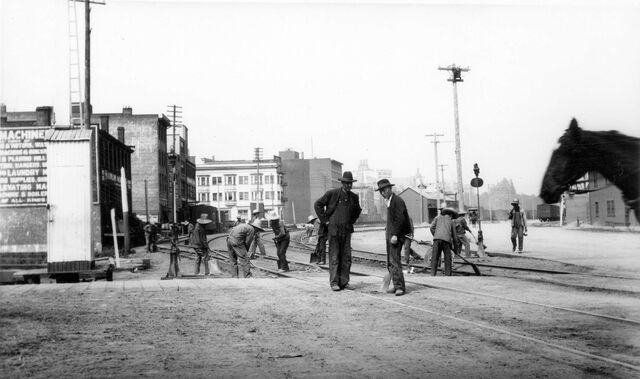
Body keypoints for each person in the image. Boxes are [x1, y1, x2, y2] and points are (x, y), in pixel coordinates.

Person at [314, 171, 362, 291]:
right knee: (334, 256)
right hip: (334, 231)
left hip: (346, 231)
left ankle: (344, 282)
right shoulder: (332, 194)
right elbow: (318, 204)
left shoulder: (354, 197)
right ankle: (334, 282)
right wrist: (325, 221)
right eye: (346, 183)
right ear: (342, 183)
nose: (348, 186)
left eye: (350, 183)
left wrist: (351, 221)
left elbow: (357, 211)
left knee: (346, 257)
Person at [377, 179, 410, 296]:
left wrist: (395, 234)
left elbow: (400, 219)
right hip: (390, 235)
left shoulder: (397, 201)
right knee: (390, 262)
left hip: (395, 236)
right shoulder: (390, 201)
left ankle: (400, 287)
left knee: (394, 261)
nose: (382, 193)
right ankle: (396, 286)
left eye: (384, 190)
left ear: (390, 189)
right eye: (381, 191)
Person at [429, 206, 459, 276]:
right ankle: (448, 274)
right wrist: (456, 249)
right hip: (446, 241)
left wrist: (436, 235)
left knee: (435, 257)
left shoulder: (437, 218)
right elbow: (455, 237)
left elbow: (432, 228)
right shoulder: (452, 222)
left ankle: (432, 274)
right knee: (447, 259)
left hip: (436, 240)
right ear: (451, 215)